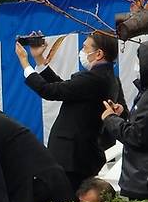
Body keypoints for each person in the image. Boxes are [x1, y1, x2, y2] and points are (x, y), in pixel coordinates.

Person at [15, 31, 126, 192]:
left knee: (65, 201)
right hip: (83, 154)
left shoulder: (93, 79)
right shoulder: (110, 79)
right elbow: (65, 89)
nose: (82, 51)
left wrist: (25, 63)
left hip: (71, 157)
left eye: (85, 48)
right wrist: (39, 59)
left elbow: (49, 91)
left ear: (99, 54)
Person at [101, 43, 148, 200]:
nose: (136, 66)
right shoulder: (143, 93)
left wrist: (110, 119)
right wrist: (122, 117)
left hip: (141, 181)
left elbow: (136, 136)